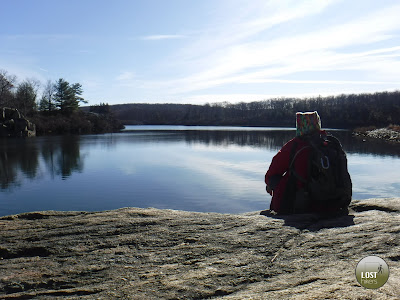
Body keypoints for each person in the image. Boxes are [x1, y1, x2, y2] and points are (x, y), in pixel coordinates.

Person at [265, 111, 351, 214]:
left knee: (273, 180)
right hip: (335, 203)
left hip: (302, 205)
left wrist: (271, 186)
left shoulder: (294, 146)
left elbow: (271, 174)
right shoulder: (330, 144)